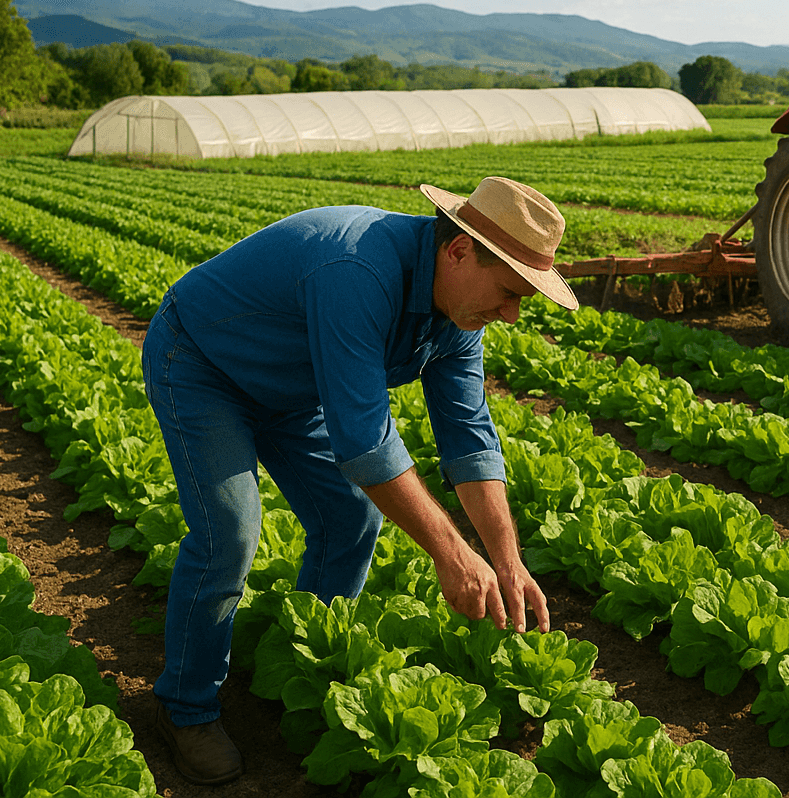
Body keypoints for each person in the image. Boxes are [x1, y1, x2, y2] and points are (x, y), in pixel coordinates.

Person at [142, 176, 577, 785]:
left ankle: (306, 663)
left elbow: (469, 436)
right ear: (458, 252)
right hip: (202, 363)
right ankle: (184, 708)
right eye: (509, 291)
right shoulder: (358, 269)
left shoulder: (459, 315)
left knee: (349, 519)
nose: (511, 313)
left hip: (293, 389)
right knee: (231, 532)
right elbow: (364, 440)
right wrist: (453, 555)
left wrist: (506, 560)